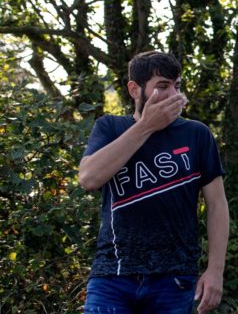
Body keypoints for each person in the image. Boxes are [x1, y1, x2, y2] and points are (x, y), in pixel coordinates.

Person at [78, 51, 229, 314]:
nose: (173, 95)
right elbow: (89, 178)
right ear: (134, 89)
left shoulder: (197, 134)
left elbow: (217, 205)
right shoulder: (110, 128)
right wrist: (146, 126)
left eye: (177, 86)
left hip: (174, 278)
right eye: (162, 86)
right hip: (112, 275)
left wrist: (215, 270)